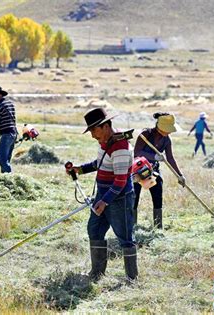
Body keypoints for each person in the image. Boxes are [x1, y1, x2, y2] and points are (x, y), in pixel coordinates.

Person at [68, 108, 138, 282]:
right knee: (94, 229)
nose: (92, 135)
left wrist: (104, 202)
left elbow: (121, 181)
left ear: (105, 126)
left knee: (125, 238)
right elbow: (100, 164)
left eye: (93, 130)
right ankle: (97, 273)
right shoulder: (106, 142)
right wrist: (80, 169)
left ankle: (132, 278)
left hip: (118, 199)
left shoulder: (120, 147)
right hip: (103, 195)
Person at [133, 112, 185, 229]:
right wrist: (154, 156)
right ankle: (132, 227)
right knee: (134, 199)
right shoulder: (145, 135)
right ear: (159, 127)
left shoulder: (167, 140)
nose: (169, 132)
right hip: (137, 171)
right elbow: (137, 152)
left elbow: (170, 158)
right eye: (167, 129)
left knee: (157, 196)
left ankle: (158, 228)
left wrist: (179, 175)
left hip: (152, 171)